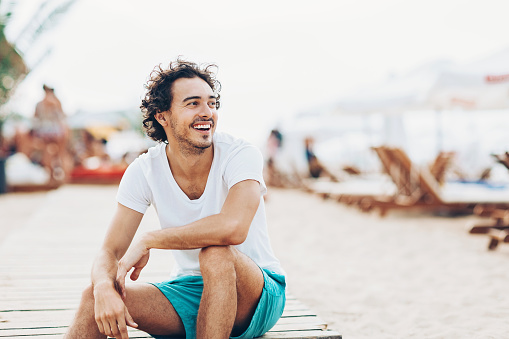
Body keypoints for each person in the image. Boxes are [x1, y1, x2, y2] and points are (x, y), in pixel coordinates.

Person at [65, 59, 286, 339]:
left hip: (258, 291)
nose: (207, 113)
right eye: (193, 104)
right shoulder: (144, 170)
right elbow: (109, 252)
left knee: (216, 253)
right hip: (190, 290)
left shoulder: (240, 154)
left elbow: (234, 227)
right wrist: (102, 288)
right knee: (91, 299)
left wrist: (150, 239)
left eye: (212, 103)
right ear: (162, 116)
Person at [32, 84, 71, 181]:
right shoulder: (56, 102)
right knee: (61, 153)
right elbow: (62, 116)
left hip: (44, 130)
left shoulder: (40, 103)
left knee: (47, 152)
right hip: (56, 130)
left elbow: (35, 118)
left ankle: (51, 176)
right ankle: (64, 176)